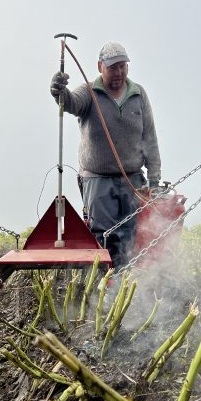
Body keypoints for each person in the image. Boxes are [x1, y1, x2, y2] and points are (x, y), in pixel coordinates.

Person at [49, 42, 162, 268]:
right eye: (113, 67)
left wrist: (154, 178)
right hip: (97, 179)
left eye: (123, 66)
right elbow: (70, 103)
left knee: (133, 234)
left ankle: (129, 282)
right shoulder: (89, 92)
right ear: (100, 66)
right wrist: (58, 91)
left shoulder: (139, 94)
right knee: (104, 236)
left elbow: (149, 136)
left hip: (132, 179)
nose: (118, 72)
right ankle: (105, 285)